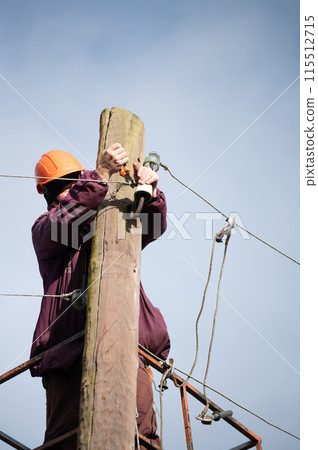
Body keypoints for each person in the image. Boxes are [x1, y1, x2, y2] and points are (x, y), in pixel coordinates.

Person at [30, 143, 170, 449]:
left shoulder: (111, 221)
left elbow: (153, 225)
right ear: (49, 195)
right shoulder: (46, 230)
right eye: (62, 187)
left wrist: (151, 192)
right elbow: (65, 219)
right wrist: (102, 174)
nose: (68, 191)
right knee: (64, 441)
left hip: (129, 352)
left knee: (141, 438)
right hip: (67, 357)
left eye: (73, 183)